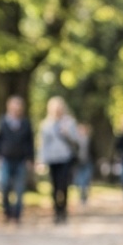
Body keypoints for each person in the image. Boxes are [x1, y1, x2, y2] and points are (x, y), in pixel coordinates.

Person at [0, 95, 35, 223]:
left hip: (21, 160)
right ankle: (7, 212)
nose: (16, 109)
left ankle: (17, 215)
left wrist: (30, 159)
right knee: (5, 185)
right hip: (5, 159)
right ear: (9, 107)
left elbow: (30, 143)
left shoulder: (26, 123)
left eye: (18, 106)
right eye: (14, 106)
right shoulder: (2, 122)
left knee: (19, 189)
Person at [39, 96, 79, 224]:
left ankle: (64, 210)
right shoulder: (46, 125)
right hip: (52, 159)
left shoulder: (69, 122)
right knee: (54, 186)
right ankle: (56, 211)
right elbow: (43, 144)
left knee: (64, 185)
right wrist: (41, 160)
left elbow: (76, 141)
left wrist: (67, 134)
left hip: (65, 158)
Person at [73, 122, 93, 205]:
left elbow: (94, 151)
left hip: (88, 162)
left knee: (86, 179)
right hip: (78, 163)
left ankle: (85, 195)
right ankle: (81, 195)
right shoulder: (75, 141)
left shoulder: (89, 140)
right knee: (79, 180)